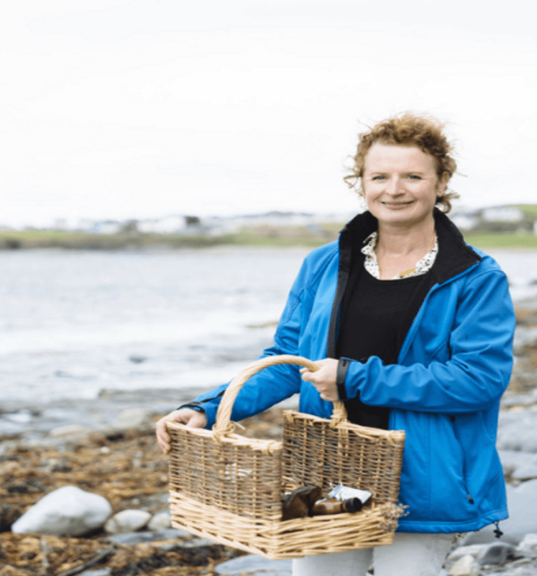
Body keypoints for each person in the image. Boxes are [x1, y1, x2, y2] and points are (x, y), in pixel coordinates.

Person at [155, 112, 515, 576]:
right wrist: (206, 408)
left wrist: (351, 377)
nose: (394, 189)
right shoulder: (323, 264)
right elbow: (287, 362)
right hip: (332, 471)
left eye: (413, 176)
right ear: (360, 182)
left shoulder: (476, 277)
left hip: (425, 477)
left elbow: (478, 381)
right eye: (379, 176)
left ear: (441, 182)